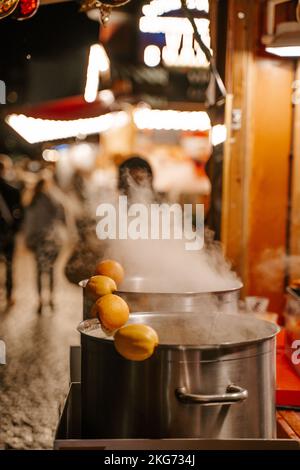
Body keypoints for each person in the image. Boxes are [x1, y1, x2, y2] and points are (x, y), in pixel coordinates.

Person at [24, 173, 66, 313]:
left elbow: (29, 223)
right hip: (50, 241)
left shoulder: (35, 200)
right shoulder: (51, 199)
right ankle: (49, 299)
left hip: (41, 241)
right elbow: (62, 214)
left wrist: (28, 239)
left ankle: (43, 299)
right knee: (50, 270)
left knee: (41, 271)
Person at [0, 156, 23, 308]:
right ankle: (9, 296)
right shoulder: (13, 191)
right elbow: (20, 214)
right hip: (8, 233)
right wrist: (15, 229)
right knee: (9, 265)